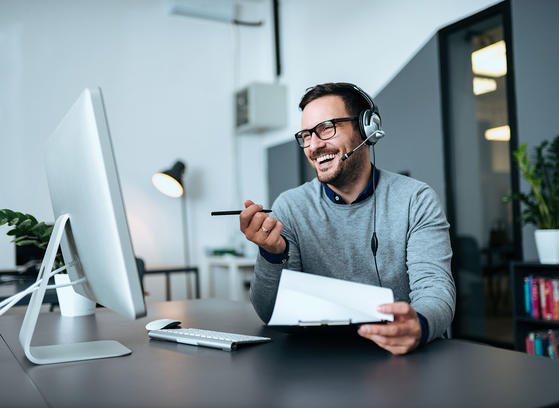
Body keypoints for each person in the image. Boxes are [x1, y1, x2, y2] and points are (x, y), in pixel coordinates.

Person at [240, 82, 455, 355]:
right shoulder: (290, 207)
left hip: (399, 355)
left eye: (326, 128)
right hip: (319, 361)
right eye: (306, 135)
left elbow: (435, 290)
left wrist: (418, 325)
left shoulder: (416, 199)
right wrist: (272, 255)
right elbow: (270, 313)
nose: (314, 145)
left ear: (367, 129)